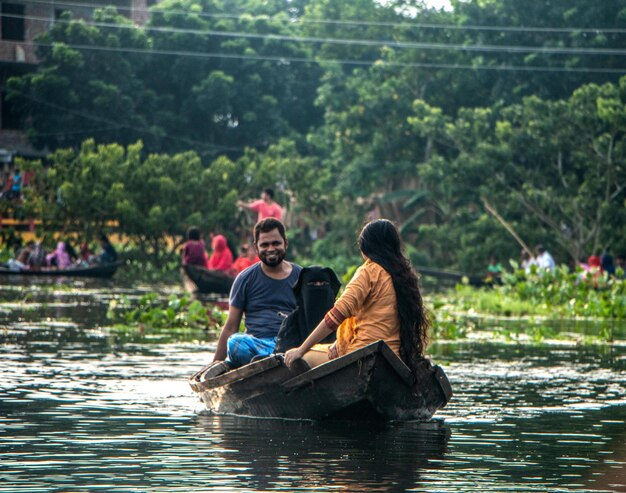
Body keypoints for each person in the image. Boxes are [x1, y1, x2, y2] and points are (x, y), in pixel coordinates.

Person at [284, 219, 430, 385]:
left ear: (365, 248)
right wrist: (340, 342)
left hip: (362, 356)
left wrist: (300, 350)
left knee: (306, 357)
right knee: (327, 348)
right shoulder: (404, 277)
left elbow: (334, 318)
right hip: (394, 357)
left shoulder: (369, 272)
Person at [212, 218, 302, 368]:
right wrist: (215, 364)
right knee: (235, 343)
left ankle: (274, 359)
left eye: (276, 243)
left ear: (285, 243)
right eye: (265, 245)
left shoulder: (301, 275)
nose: (271, 249)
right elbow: (230, 326)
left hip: (292, 345)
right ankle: (269, 360)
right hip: (257, 345)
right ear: (256, 247)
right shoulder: (244, 279)